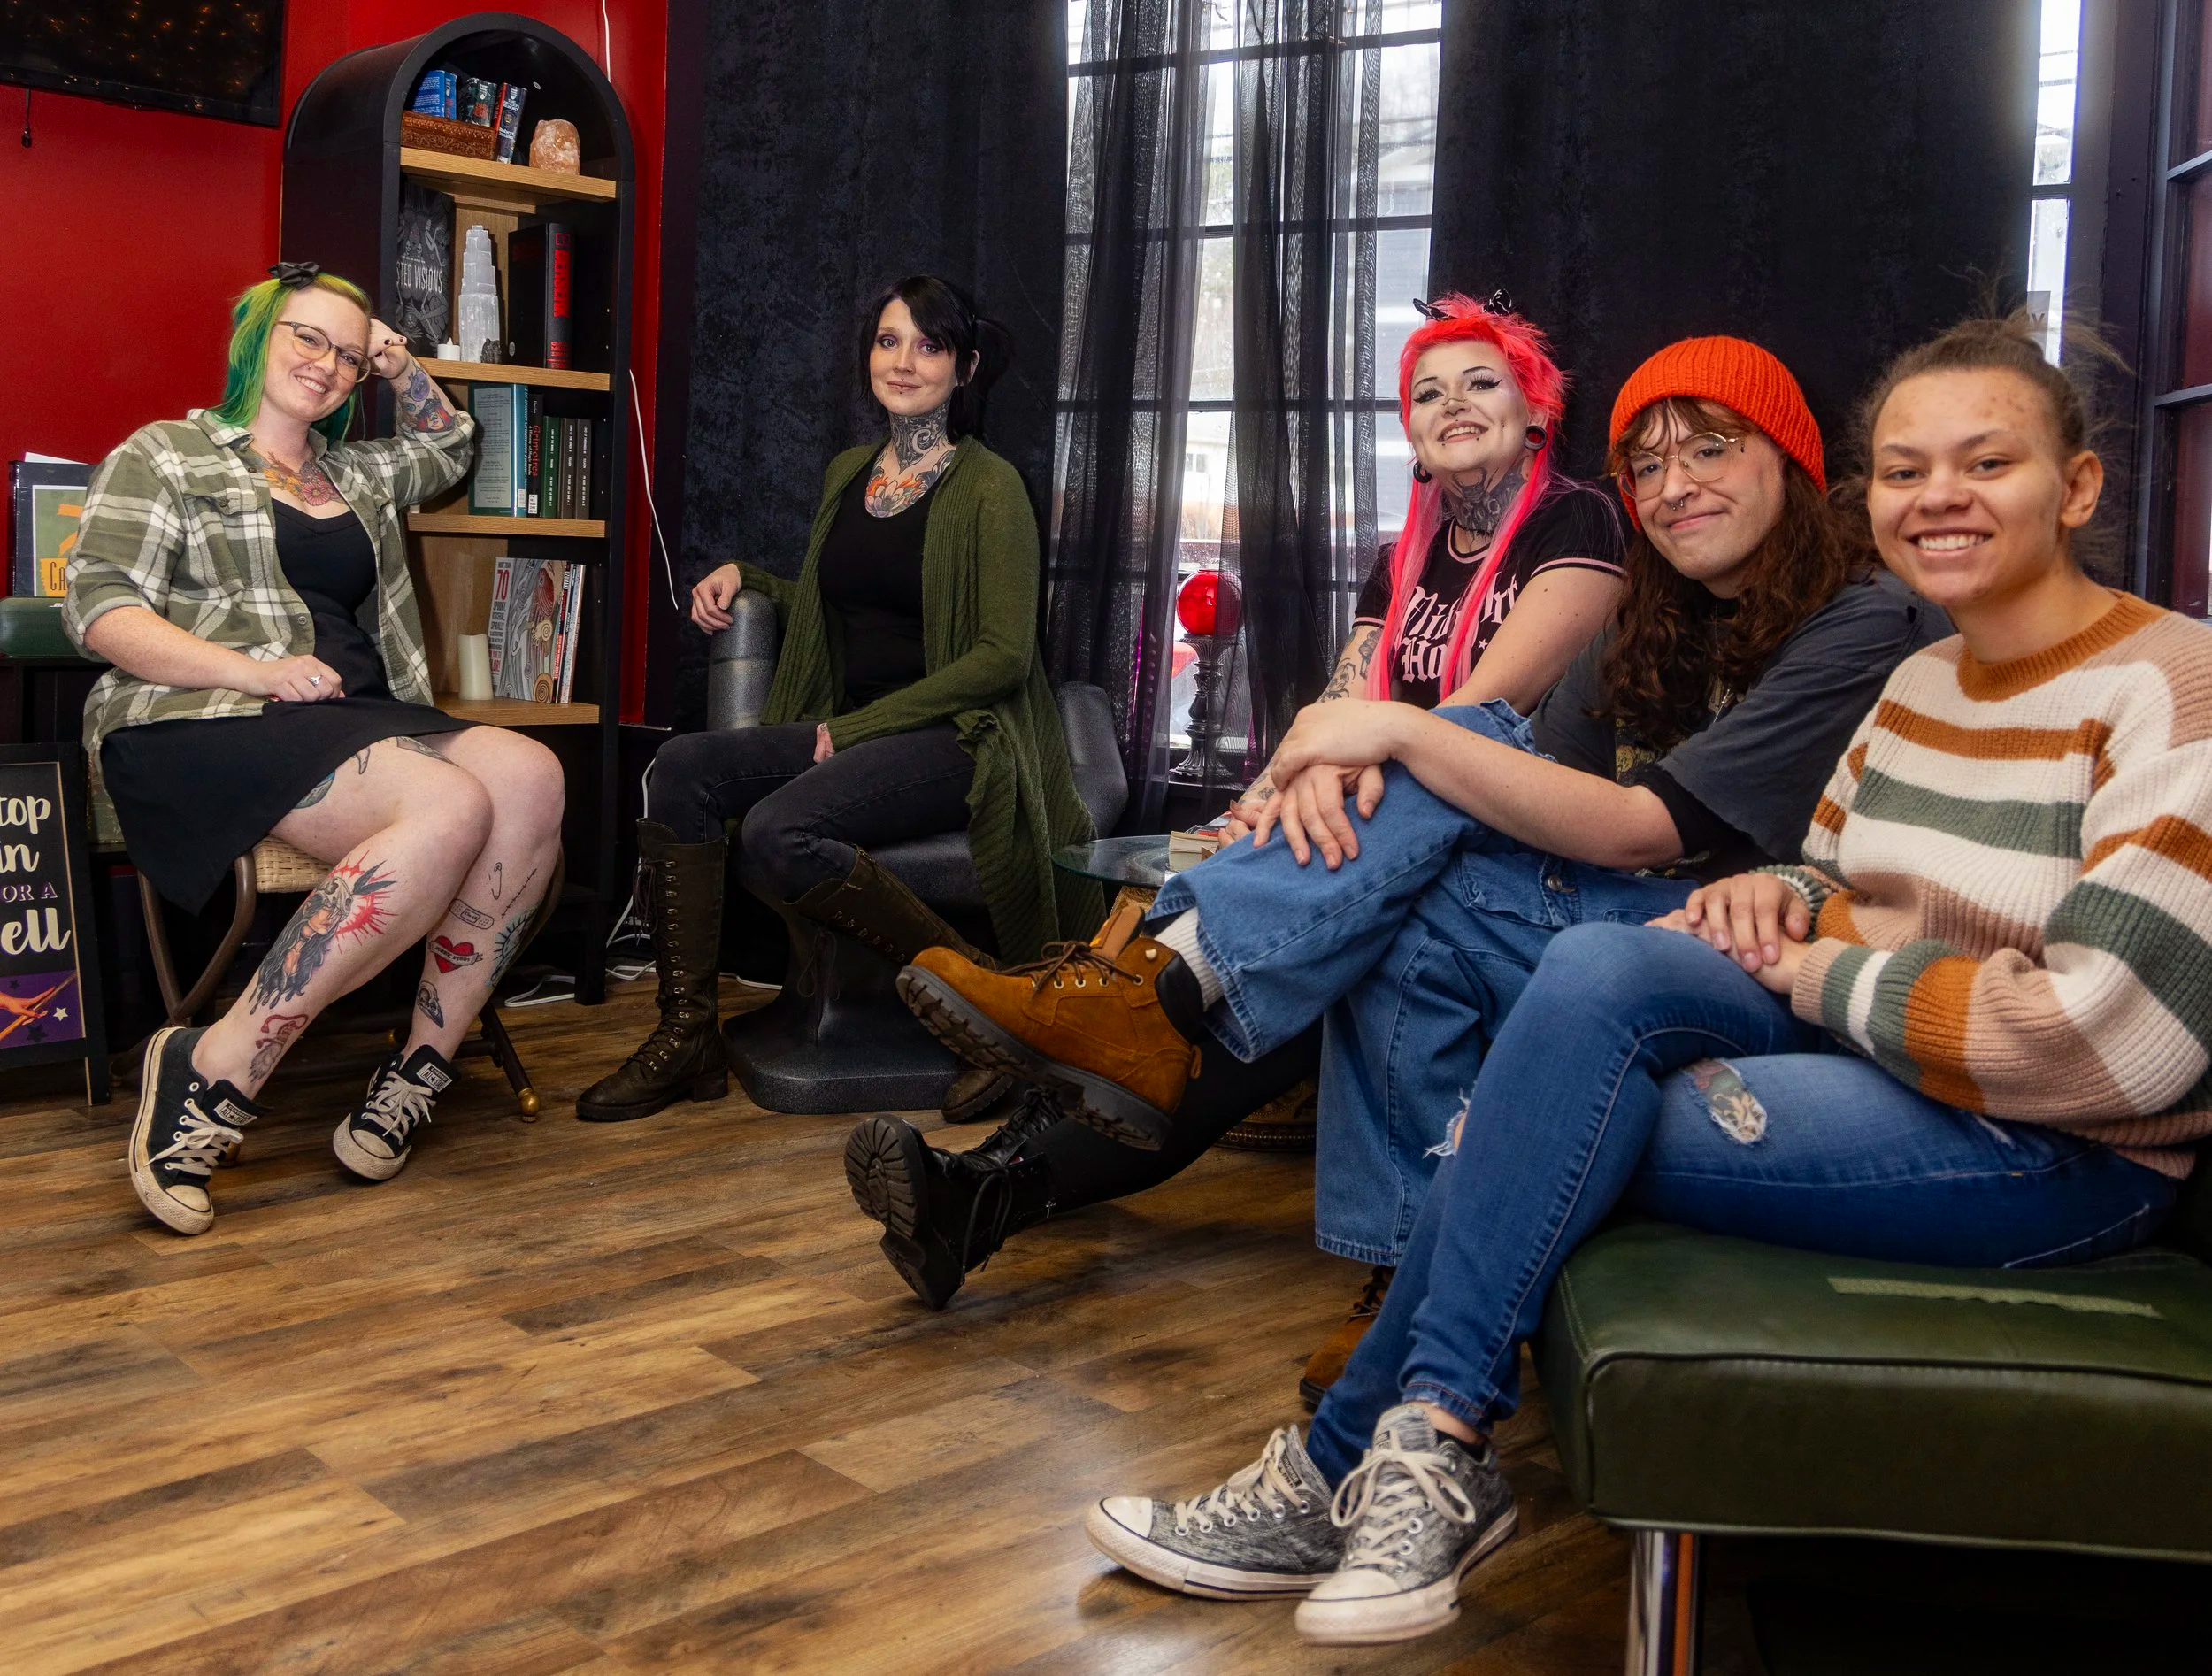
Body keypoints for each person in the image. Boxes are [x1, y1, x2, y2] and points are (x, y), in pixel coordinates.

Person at [1078, 311, 2206, 1647]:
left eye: (1986, 464)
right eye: (1906, 471)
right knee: (1601, 967)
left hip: (2050, 1147)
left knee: (1535, 1106)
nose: (1939, 499)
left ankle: (1368, 1457)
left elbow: (2117, 1046)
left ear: (2073, 486)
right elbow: (1828, 876)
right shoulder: (1920, 683)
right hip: (1881, 1044)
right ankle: (1405, 1446)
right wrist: (1772, 900)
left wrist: (1822, 959)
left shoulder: (2173, 685)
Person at [897, 336, 1947, 1394]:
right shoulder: (1645, 613)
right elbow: (1511, 755)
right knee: (1397, 848)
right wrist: (1326, 769)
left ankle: (1152, 994)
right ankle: (1139, 1059)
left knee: (1404, 847)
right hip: (1575, 899)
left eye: (1711, 451)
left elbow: (1638, 824)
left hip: (1738, 946)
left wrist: (1378, 739)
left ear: (1792, 461)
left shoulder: (1861, 620)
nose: (1676, 488)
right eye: (1651, 466)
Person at [844, 291, 1628, 1309]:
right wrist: (1250, 809)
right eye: (1428, 393)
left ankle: (1136, 1010)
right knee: (1218, 1001)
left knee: (1219, 981)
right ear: (1413, 436)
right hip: (1386, 826)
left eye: (1483, 384)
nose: (1455, 404)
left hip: (1513, 843)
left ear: (1535, 411)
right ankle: (980, 1190)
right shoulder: (1408, 552)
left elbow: (1479, 715)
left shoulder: (1580, 517)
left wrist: (1337, 768)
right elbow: (1347, 695)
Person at [65, 264, 565, 1237]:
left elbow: (452, 441)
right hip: (199, 717)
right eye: (307, 338)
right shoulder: (167, 455)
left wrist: (399, 359)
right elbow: (101, 610)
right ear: (257, 339)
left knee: (529, 773)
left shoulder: (357, 473)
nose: (327, 365)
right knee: (451, 806)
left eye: (345, 352)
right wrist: (257, 671)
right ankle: (212, 1068)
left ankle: (419, 1066)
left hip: (353, 714)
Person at [578, 275, 1101, 1123]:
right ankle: (688, 1037)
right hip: (851, 726)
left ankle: (993, 1007)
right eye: (888, 340)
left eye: (928, 345)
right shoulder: (850, 473)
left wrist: (857, 729)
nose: (903, 361)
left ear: (964, 368)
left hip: (958, 735)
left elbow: (1004, 657)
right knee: (681, 769)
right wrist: (751, 579)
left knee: (784, 829)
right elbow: (833, 601)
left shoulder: (990, 485)